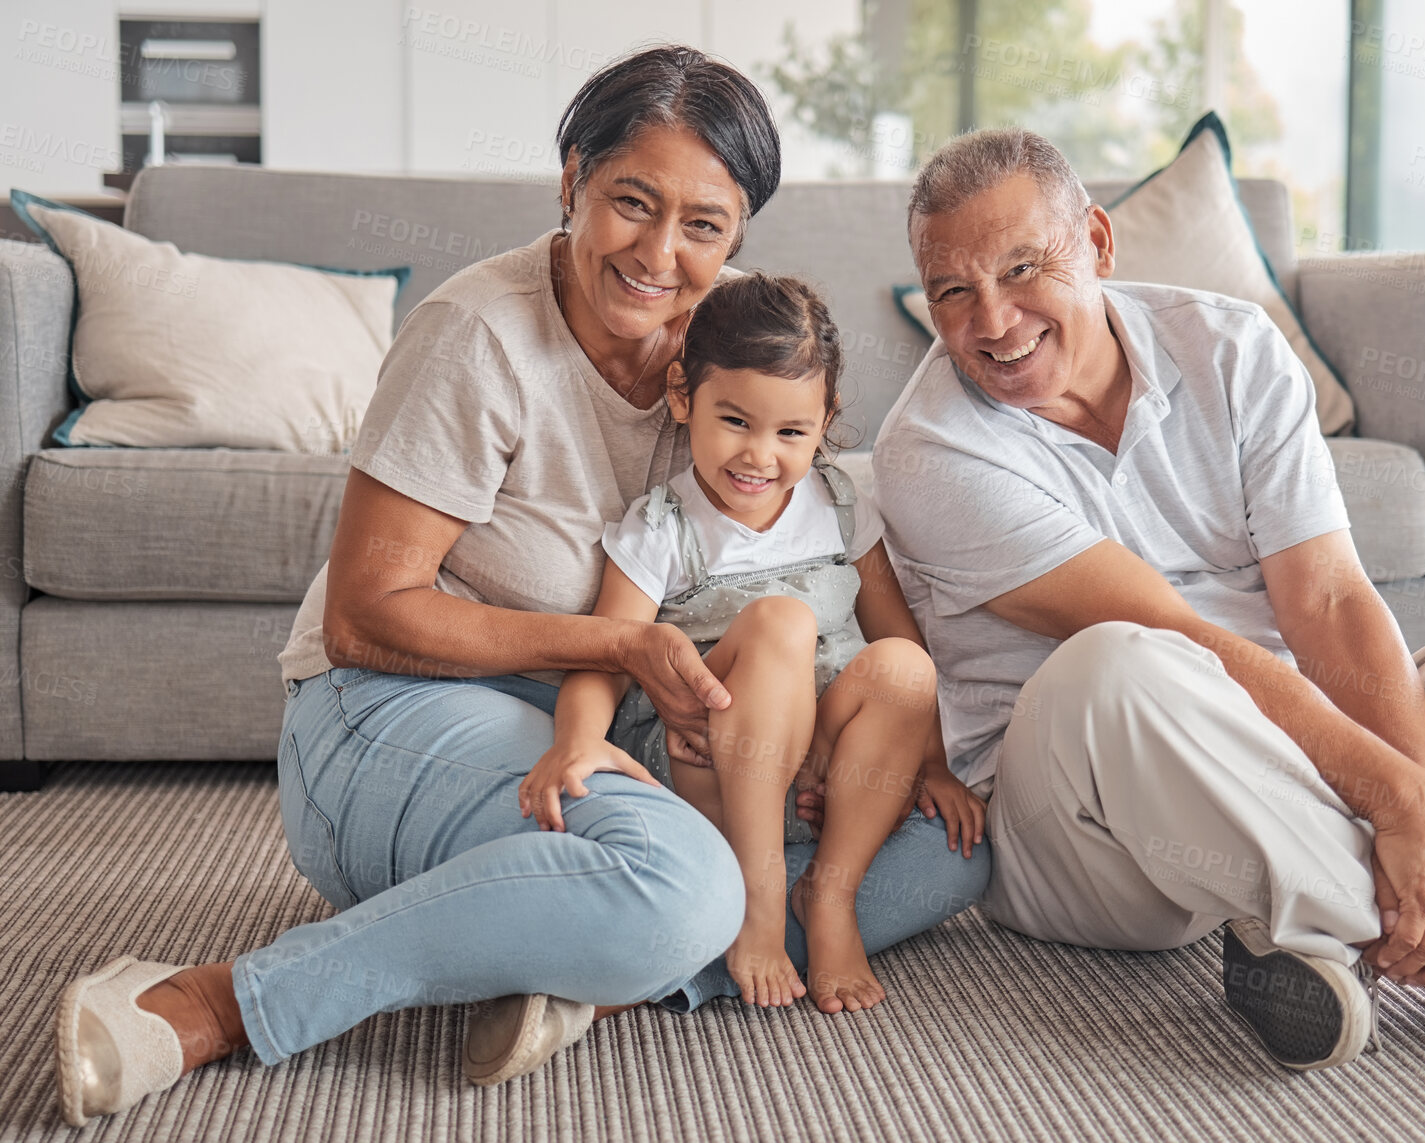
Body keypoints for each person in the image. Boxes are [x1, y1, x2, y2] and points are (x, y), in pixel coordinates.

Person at [53, 47, 988, 1129]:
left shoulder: (740, 333)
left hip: (636, 721)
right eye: (629, 204)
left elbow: (806, 557)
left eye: (705, 225)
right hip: (392, 711)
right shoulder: (478, 336)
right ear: (569, 184)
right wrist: (619, 651)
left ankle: (574, 965)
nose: (659, 254)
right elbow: (367, 618)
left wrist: (818, 735)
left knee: (944, 853)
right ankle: (220, 1000)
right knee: (685, 887)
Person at [873, 126, 1425, 1072]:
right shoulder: (931, 451)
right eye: (954, 290)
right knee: (1118, 662)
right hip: (1083, 816)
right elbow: (1180, 635)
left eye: (1022, 267)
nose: (992, 321)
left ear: (1100, 244)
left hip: (1289, 728)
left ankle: (1329, 927)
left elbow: (1325, 600)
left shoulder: (1231, 346)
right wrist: (1399, 801)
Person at [521, 272, 976, 1014]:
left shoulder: (836, 502)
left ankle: (828, 893)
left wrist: (936, 766)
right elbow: (606, 652)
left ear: (825, 421)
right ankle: (757, 902)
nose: (759, 456)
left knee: (904, 666)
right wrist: (576, 740)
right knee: (781, 621)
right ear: (682, 398)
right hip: (711, 767)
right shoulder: (663, 525)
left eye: (791, 432)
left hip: (825, 777)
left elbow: (896, 633)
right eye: (735, 421)